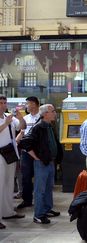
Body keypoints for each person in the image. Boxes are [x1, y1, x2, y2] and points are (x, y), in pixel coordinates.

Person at [19, 104, 62, 224]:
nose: (55, 113)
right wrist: (36, 158)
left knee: (48, 187)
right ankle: (38, 215)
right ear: (45, 114)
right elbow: (24, 143)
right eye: (53, 111)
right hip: (42, 163)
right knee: (40, 189)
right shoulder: (38, 127)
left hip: (50, 162)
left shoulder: (49, 125)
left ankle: (47, 209)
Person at [0, 95, 26, 229]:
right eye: (1, 103)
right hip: (0, 155)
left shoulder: (8, 116)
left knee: (9, 184)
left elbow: (22, 126)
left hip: (10, 153)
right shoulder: (6, 120)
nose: (3, 105)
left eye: (5, 102)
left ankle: (8, 212)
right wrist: (5, 124)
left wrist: (21, 118)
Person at [16, 96, 40, 209]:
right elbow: (21, 132)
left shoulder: (42, 117)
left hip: (39, 151)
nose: (26, 106)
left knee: (40, 176)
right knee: (26, 176)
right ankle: (27, 200)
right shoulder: (25, 118)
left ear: (34, 104)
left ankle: (40, 200)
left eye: (28, 104)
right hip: (26, 152)